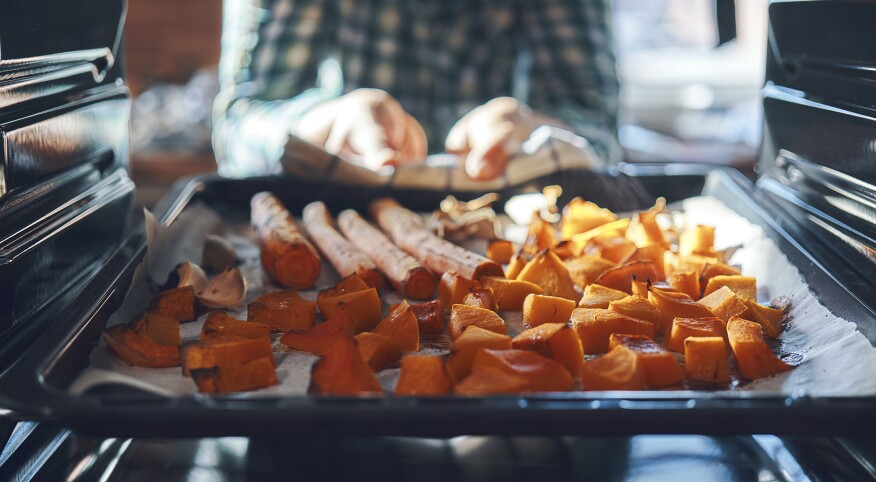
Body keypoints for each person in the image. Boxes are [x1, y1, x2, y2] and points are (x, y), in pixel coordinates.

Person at [213, 0, 620, 182]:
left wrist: (533, 126)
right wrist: (321, 124)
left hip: (508, 224)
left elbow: (597, 127)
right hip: (336, 210)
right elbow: (240, 122)